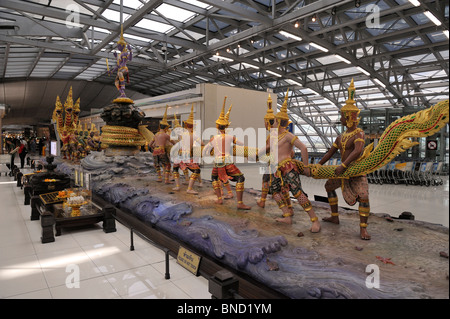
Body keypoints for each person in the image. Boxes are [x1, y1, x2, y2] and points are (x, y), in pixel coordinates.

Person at [259, 90, 320, 232]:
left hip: (287, 167)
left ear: (279, 122)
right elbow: (264, 151)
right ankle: (287, 215)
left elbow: (303, 148)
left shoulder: (287, 136)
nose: (271, 124)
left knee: (297, 193)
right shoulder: (274, 137)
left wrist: (305, 167)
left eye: (273, 121)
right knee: (274, 191)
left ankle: (315, 220)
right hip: (276, 169)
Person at [318, 79, 371, 240]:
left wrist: (344, 165)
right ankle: (335, 217)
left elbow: (357, 151)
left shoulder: (359, 134)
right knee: (329, 187)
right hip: (341, 171)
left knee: (363, 196)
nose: (340, 118)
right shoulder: (341, 136)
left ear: (349, 117)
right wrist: (317, 166)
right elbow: (330, 152)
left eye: (342, 115)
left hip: (355, 170)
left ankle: (363, 229)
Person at [202, 97, 251, 210]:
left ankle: (219, 199)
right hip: (228, 162)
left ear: (217, 126)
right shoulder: (230, 137)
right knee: (240, 178)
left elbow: (205, 150)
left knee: (214, 178)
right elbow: (241, 143)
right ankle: (239, 202)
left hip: (217, 163)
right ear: (227, 126)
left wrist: (210, 153)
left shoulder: (213, 138)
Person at [150, 106, 175, 184]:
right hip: (161, 150)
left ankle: (159, 178)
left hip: (155, 151)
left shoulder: (156, 134)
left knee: (157, 165)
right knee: (168, 165)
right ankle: (167, 180)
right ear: (166, 128)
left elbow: (150, 144)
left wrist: (154, 148)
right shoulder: (165, 135)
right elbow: (173, 143)